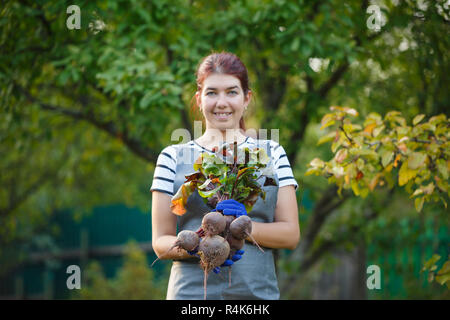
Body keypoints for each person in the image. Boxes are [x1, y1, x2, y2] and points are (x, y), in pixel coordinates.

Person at [150, 51, 300, 299]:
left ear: (246, 98)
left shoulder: (272, 152)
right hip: (191, 296)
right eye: (211, 93)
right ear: (198, 99)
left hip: (256, 296)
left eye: (231, 92)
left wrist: (242, 228)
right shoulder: (172, 157)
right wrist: (201, 245)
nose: (222, 102)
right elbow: (160, 242)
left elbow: (291, 234)